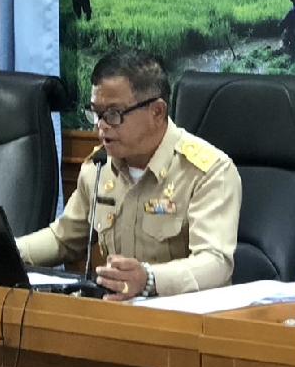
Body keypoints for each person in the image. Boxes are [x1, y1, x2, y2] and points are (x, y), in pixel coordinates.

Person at [17, 49, 241, 299]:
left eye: (113, 114)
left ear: (157, 112)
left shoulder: (207, 172)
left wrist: (149, 279)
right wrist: (7, 251)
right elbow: (63, 239)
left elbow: (215, 263)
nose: (101, 126)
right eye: (96, 113)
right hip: (115, 311)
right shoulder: (98, 167)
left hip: (184, 316)